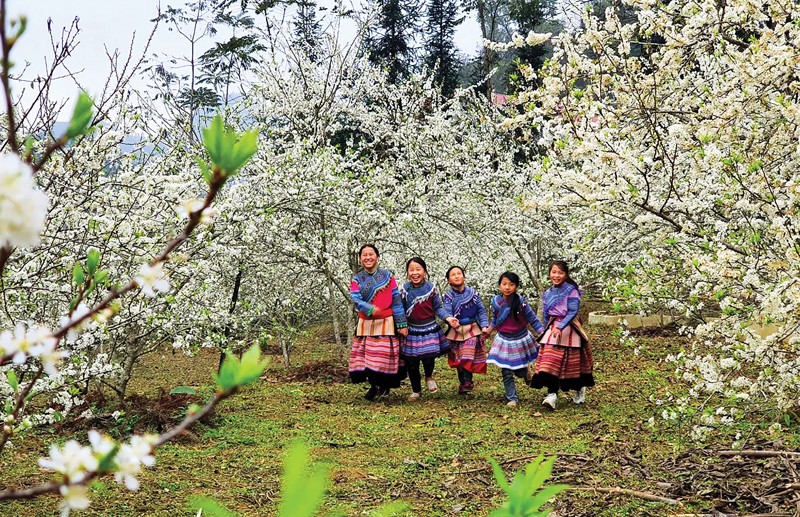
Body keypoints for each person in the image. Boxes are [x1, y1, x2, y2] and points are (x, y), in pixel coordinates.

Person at [528, 260, 595, 409]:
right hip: (553, 328)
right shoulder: (547, 293)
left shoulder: (571, 290)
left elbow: (572, 311)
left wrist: (561, 326)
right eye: (554, 272)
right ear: (549, 273)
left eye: (560, 272)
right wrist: (546, 329)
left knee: (572, 363)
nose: (556, 275)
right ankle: (552, 393)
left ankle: (578, 388)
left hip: (569, 327)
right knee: (549, 360)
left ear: (565, 275)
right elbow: (546, 313)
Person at [348, 244, 408, 401]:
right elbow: (355, 298)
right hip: (366, 323)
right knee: (367, 358)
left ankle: (384, 387)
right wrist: (370, 308)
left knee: (383, 357)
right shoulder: (357, 279)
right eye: (364, 255)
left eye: (371, 254)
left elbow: (396, 301)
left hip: (386, 323)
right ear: (360, 259)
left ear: (377, 257)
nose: (368, 257)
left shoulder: (388, 277)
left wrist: (402, 324)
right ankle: (374, 386)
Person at [484, 272, 544, 408]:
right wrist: (488, 330)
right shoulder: (496, 302)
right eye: (504, 284)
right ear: (499, 286)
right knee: (506, 370)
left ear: (516, 286)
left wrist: (542, 333)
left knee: (519, 371)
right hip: (504, 340)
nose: (507, 287)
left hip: (520, 339)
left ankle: (525, 372)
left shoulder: (521, 303)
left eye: (511, 284)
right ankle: (512, 398)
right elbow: (495, 319)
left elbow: (532, 319)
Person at [399, 257, 450, 400]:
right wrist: (401, 325)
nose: (415, 273)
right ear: (407, 272)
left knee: (428, 357)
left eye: (418, 269)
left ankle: (428, 376)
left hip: (429, 328)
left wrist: (447, 318)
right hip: (411, 329)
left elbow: (438, 307)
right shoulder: (404, 290)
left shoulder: (431, 288)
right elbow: (399, 309)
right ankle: (416, 390)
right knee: (411, 361)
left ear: (425, 272)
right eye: (411, 270)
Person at [442, 266, 489, 395]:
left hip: (471, 328)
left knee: (467, 353)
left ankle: (468, 381)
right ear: (448, 280)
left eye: (459, 273)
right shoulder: (448, 296)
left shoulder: (473, 293)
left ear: (464, 277)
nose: (457, 276)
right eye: (453, 275)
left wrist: (484, 325)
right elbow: (446, 310)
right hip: (456, 329)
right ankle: (463, 382)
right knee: (458, 356)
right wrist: (451, 320)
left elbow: (480, 310)